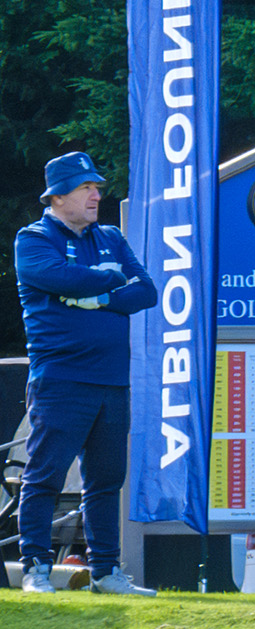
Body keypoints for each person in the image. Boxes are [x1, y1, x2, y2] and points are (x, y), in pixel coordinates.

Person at [13, 151, 159, 594]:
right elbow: (60, 278)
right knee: (44, 475)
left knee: (106, 480)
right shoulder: (33, 237)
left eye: (97, 186)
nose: (98, 194)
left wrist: (98, 296)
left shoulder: (111, 236)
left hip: (113, 380)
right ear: (58, 197)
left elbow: (148, 291)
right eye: (86, 188)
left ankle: (106, 573)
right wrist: (110, 279)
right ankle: (35, 569)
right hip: (61, 379)